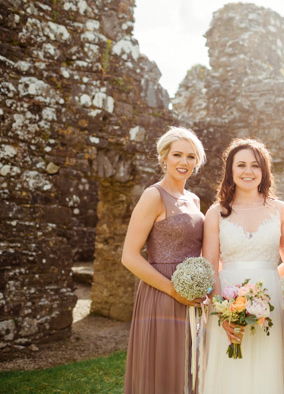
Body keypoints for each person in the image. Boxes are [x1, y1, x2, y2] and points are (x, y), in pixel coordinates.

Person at [201, 139, 284, 394]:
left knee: (268, 369)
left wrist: (270, 281)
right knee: (230, 372)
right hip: (226, 299)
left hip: (271, 300)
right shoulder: (216, 212)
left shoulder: (279, 210)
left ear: (264, 171)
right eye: (241, 165)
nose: (248, 171)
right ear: (230, 171)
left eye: (255, 165)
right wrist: (223, 313)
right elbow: (209, 268)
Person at [121, 127, 206, 394]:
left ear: (197, 162)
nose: (184, 162)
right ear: (164, 158)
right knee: (163, 369)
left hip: (193, 294)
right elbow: (130, 256)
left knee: (190, 367)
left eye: (191, 157)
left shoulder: (194, 199)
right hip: (161, 293)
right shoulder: (153, 196)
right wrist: (172, 289)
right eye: (177, 155)